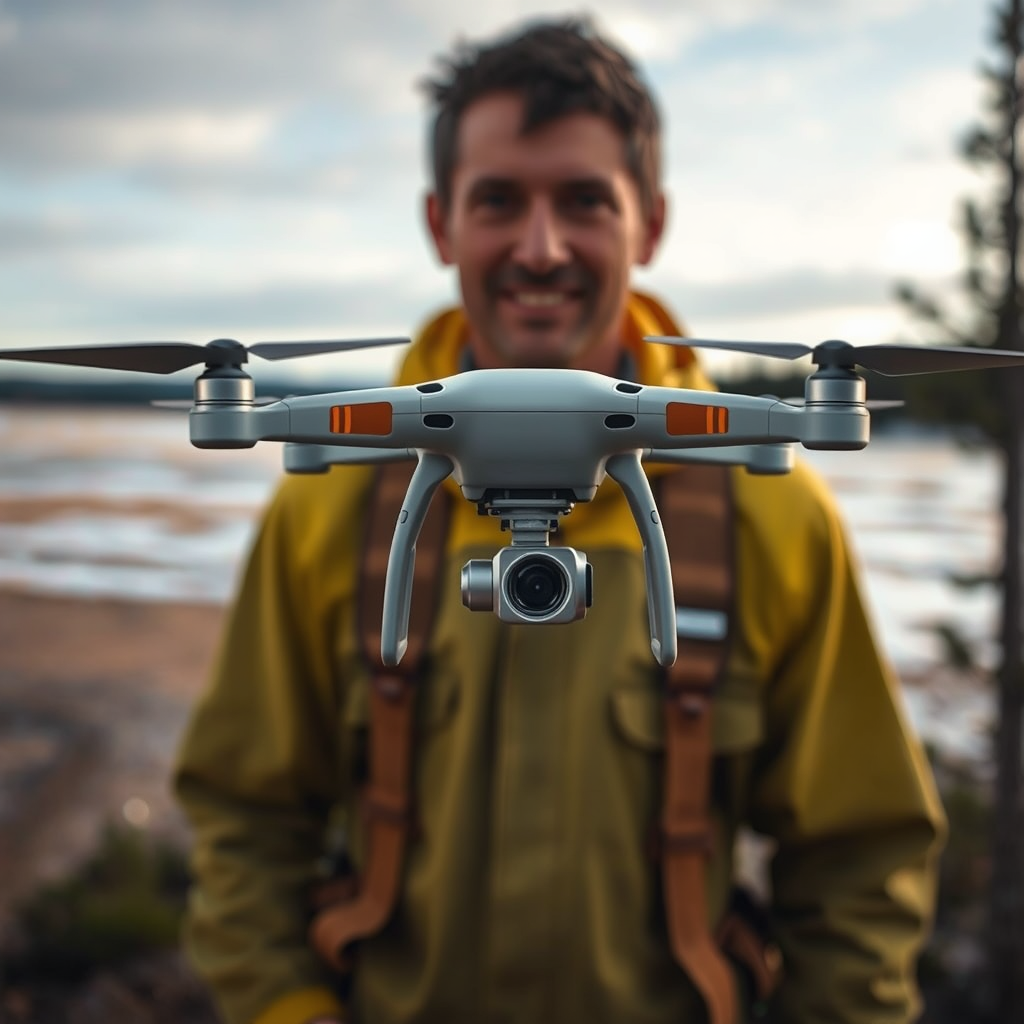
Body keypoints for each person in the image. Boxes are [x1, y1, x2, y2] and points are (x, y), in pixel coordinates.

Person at [174, 17, 946, 1024]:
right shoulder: (325, 506)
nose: (540, 250)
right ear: (440, 223)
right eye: (498, 201)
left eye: (584, 201)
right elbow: (244, 812)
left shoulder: (773, 512)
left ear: (650, 223)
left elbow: (862, 853)